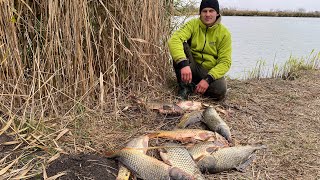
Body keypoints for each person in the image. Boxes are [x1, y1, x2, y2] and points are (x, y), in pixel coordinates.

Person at [168, 0, 232, 100]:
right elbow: (174, 40)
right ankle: (184, 88)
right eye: (204, 11)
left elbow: (225, 62)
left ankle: (196, 86)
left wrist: (207, 79)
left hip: (208, 71)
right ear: (200, 13)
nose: (207, 14)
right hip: (191, 65)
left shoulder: (224, 33)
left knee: (220, 90)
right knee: (181, 46)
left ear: (217, 13)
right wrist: (184, 64)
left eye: (211, 11)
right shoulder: (193, 24)